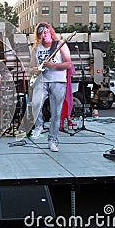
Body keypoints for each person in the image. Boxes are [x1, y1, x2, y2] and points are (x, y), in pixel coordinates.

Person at [29, 22, 71, 152]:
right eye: (41, 33)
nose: (44, 35)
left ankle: (52, 140)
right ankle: (39, 125)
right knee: (36, 104)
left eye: (46, 32)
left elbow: (68, 64)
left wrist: (52, 65)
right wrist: (35, 70)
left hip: (58, 81)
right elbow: (30, 68)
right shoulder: (36, 48)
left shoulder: (60, 45)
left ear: (50, 32)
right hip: (42, 80)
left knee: (56, 113)